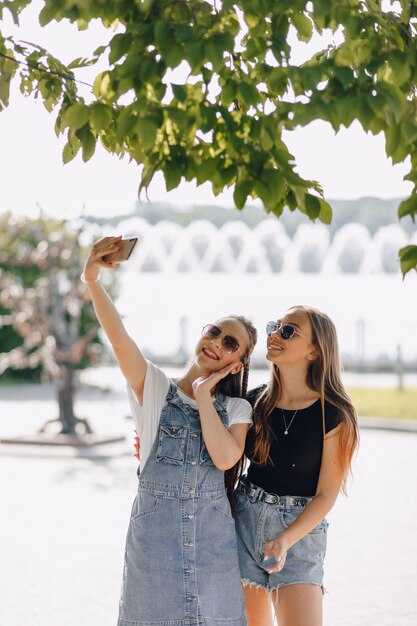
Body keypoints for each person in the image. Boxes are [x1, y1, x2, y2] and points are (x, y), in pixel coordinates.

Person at [81, 235, 258, 626]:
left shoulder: (237, 409)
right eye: (214, 331)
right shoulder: (156, 389)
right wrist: (92, 279)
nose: (216, 343)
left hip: (214, 553)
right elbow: (119, 339)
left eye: (230, 344)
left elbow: (226, 457)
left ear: (238, 364)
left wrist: (202, 393)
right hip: (154, 552)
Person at [235, 305, 359, 626]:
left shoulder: (333, 414)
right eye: (275, 326)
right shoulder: (254, 402)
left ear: (314, 351)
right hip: (245, 524)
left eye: (288, 331)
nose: (275, 335)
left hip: (301, 536)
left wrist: (287, 538)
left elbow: (327, 494)